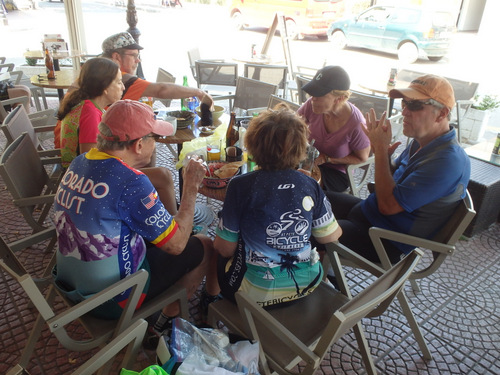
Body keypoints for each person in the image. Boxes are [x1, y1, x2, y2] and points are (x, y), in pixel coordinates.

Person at [53, 100, 220, 345]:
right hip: (111, 300)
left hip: (70, 285)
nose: (156, 144)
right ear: (139, 144)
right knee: (204, 245)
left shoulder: (80, 162)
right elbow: (176, 246)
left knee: (164, 232)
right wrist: (191, 187)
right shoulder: (131, 182)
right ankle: (166, 320)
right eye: (155, 138)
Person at [317, 74, 471, 264]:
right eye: (405, 103)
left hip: (384, 240)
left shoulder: (447, 162)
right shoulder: (421, 142)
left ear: (441, 113)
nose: (405, 112)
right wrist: (387, 158)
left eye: (414, 105)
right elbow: (393, 181)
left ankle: (317, 276)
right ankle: (325, 268)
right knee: (310, 196)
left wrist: (380, 152)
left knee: (303, 229)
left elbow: (388, 206)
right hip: (369, 215)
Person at [208, 105, 342, 310]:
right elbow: (330, 237)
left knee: (213, 248)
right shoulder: (310, 184)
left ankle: (210, 299)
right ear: (301, 149)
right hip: (307, 286)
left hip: (253, 294)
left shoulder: (240, 185)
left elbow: (224, 248)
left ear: (252, 146)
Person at [298, 65, 371, 193]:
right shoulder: (312, 104)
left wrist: (328, 158)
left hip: (336, 173)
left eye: (319, 94)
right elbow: (294, 126)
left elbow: (362, 158)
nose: (312, 98)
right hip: (308, 162)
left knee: (302, 186)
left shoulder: (356, 124)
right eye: (312, 92)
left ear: (339, 98)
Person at [100, 32, 210, 105]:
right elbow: (162, 90)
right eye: (133, 55)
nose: (138, 60)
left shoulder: (97, 71)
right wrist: (198, 92)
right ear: (116, 57)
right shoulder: (123, 79)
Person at [55, 57, 124, 168]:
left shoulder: (88, 105)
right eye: (119, 82)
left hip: (77, 171)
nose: (123, 87)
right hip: (80, 178)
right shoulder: (89, 113)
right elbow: (90, 162)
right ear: (105, 87)